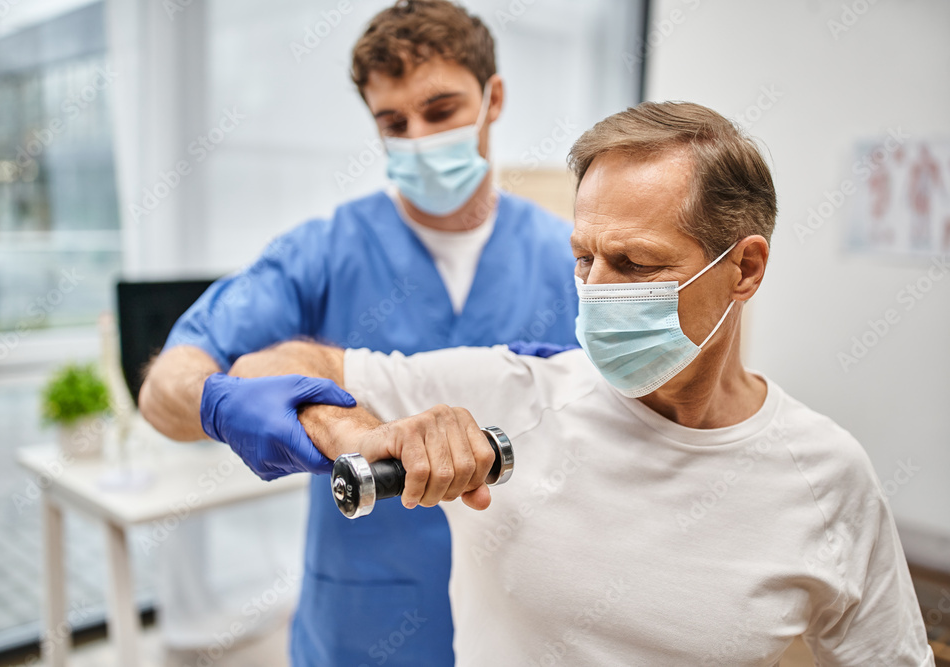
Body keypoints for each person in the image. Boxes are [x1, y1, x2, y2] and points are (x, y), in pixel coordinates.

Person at [226, 101, 935, 666]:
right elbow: (260, 368)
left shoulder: (826, 476)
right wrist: (363, 431)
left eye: (634, 263)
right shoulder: (508, 392)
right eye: (585, 258)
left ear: (744, 269)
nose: (595, 293)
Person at [138, 2, 579, 664]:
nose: (419, 138)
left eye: (441, 110)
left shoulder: (567, 256)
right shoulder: (324, 251)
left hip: (527, 609)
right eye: (393, 122)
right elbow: (164, 387)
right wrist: (226, 404)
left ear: (495, 99)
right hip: (363, 618)